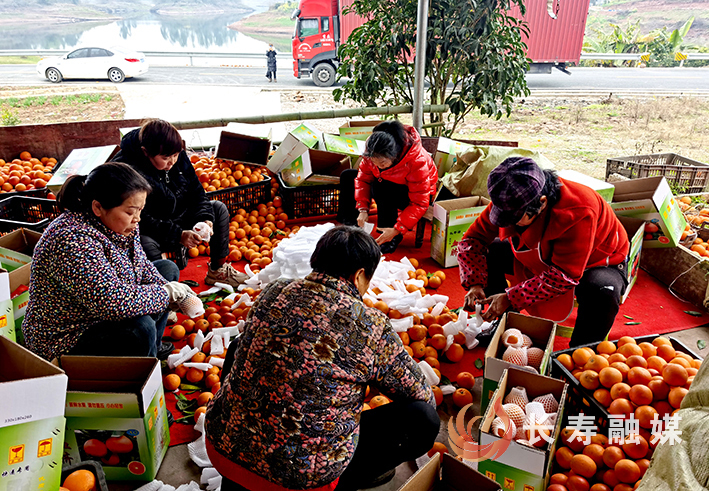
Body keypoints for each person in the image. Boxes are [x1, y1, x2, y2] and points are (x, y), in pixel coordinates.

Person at [205, 226, 439, 491]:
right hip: (301, 480)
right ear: (360, 275)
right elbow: (421, 395)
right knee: (423, 418)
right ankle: (350, 479)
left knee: (240, 347)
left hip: (223, 452)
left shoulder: (274, 292)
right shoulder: (370, 325)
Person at [22, 162, 195, 361]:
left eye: (140, 210)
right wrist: (164, 294)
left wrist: (168, 288)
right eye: (130, 212)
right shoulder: (71, 239)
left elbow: (140, 264)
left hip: (101, 309)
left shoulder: (119, 223)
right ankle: (141, 368)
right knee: (140, 329)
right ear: (97, 207)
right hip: (68, 335)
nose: (137, 218)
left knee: (167, 269)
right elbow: (111, 301)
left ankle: (150, 351)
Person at [458, 157, 630, 346]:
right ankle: (505, 326)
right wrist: (475, 283)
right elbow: (471, 241)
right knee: (493, 250)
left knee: (602, 291)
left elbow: (564, 275)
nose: (510, 223)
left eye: (515, 218)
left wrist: (511, 297)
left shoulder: (579, 210)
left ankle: (578, 355)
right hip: (541, 256)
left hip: (597, 261)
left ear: (542, 202)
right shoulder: (509, 198)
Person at [113, 119, 247, 287]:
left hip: (178, 215)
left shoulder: (176, 154)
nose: (172, 162)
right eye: (165, 158)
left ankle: (217, 271)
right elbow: (140, 219)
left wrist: (204, 219)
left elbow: (197, 193)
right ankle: (161, 291)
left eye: (176, 155)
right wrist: (178, 234)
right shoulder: (127, 169)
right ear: (146, 152)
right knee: (143, 241)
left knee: (217, 209)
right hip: (151, 226)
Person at [338, 120, 437, 253]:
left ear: (394, 155)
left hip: (414, 195)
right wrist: (363, 209)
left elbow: (420, 203)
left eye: (382, 162)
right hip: (385, 183)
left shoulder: (416, 161)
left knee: (382, 187)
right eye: (374, 162)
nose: (378, 166)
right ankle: (351, 227)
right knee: (348, 176)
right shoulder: (373, 150)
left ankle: (389, 234)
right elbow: (363, 179)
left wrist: (397, 229)